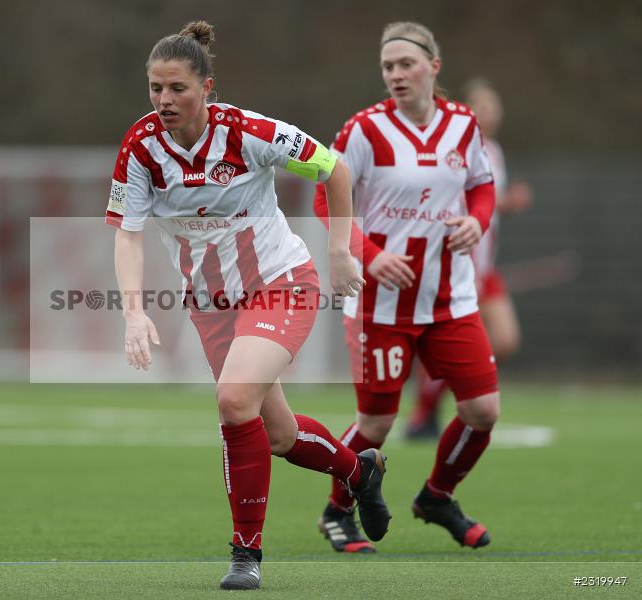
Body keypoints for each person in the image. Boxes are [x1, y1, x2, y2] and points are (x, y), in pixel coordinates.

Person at [107, 21, 390, 590]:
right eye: (156, 89)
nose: (164, 100)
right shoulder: (141, 147)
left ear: (207, 87)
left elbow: (334, 167)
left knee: (234, 400)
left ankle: (246, 555)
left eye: (177, 89)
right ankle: (360, 471)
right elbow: (128, 233)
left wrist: (339, 249)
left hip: (282, 283)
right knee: (279, 435)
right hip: (211, 306)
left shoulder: (247, 131)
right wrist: (133, 312)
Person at [313, 21, 499, 553]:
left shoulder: (463, 124)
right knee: (376, 422)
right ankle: (336, 511)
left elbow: (481, 187)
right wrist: (368, 257)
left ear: (433, 67)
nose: (395, 74)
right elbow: (328, 198)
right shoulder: (365, 130)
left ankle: (437, 496)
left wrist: (477, 222)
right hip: (381, 305)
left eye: (405, 64)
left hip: (449, 299)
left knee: (483, 411)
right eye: (387, 67)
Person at [406, 78, 532, 439]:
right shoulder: (454, 148)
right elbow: (453, 203)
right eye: (483, 106)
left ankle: (449, 395)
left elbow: (486, 202)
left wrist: (506, 204)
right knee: (451, 342)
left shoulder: (494, 149)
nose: (491, 113)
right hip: (461, 265)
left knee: (505, 340)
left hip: (486, 267)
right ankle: (425, 414)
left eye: (495, 106)